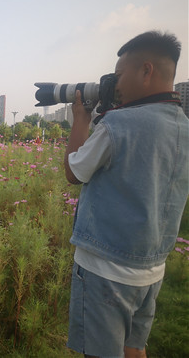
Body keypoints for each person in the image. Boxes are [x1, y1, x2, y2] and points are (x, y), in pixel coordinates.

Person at [64, 31, 188, 358]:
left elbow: (74, 172)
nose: (114, 84)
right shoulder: (185, 128)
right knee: (134, 348)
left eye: (118, 75)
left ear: (146, 70)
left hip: (105, 271)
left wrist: (81, 119)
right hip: (152, 270)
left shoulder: (118, 124)